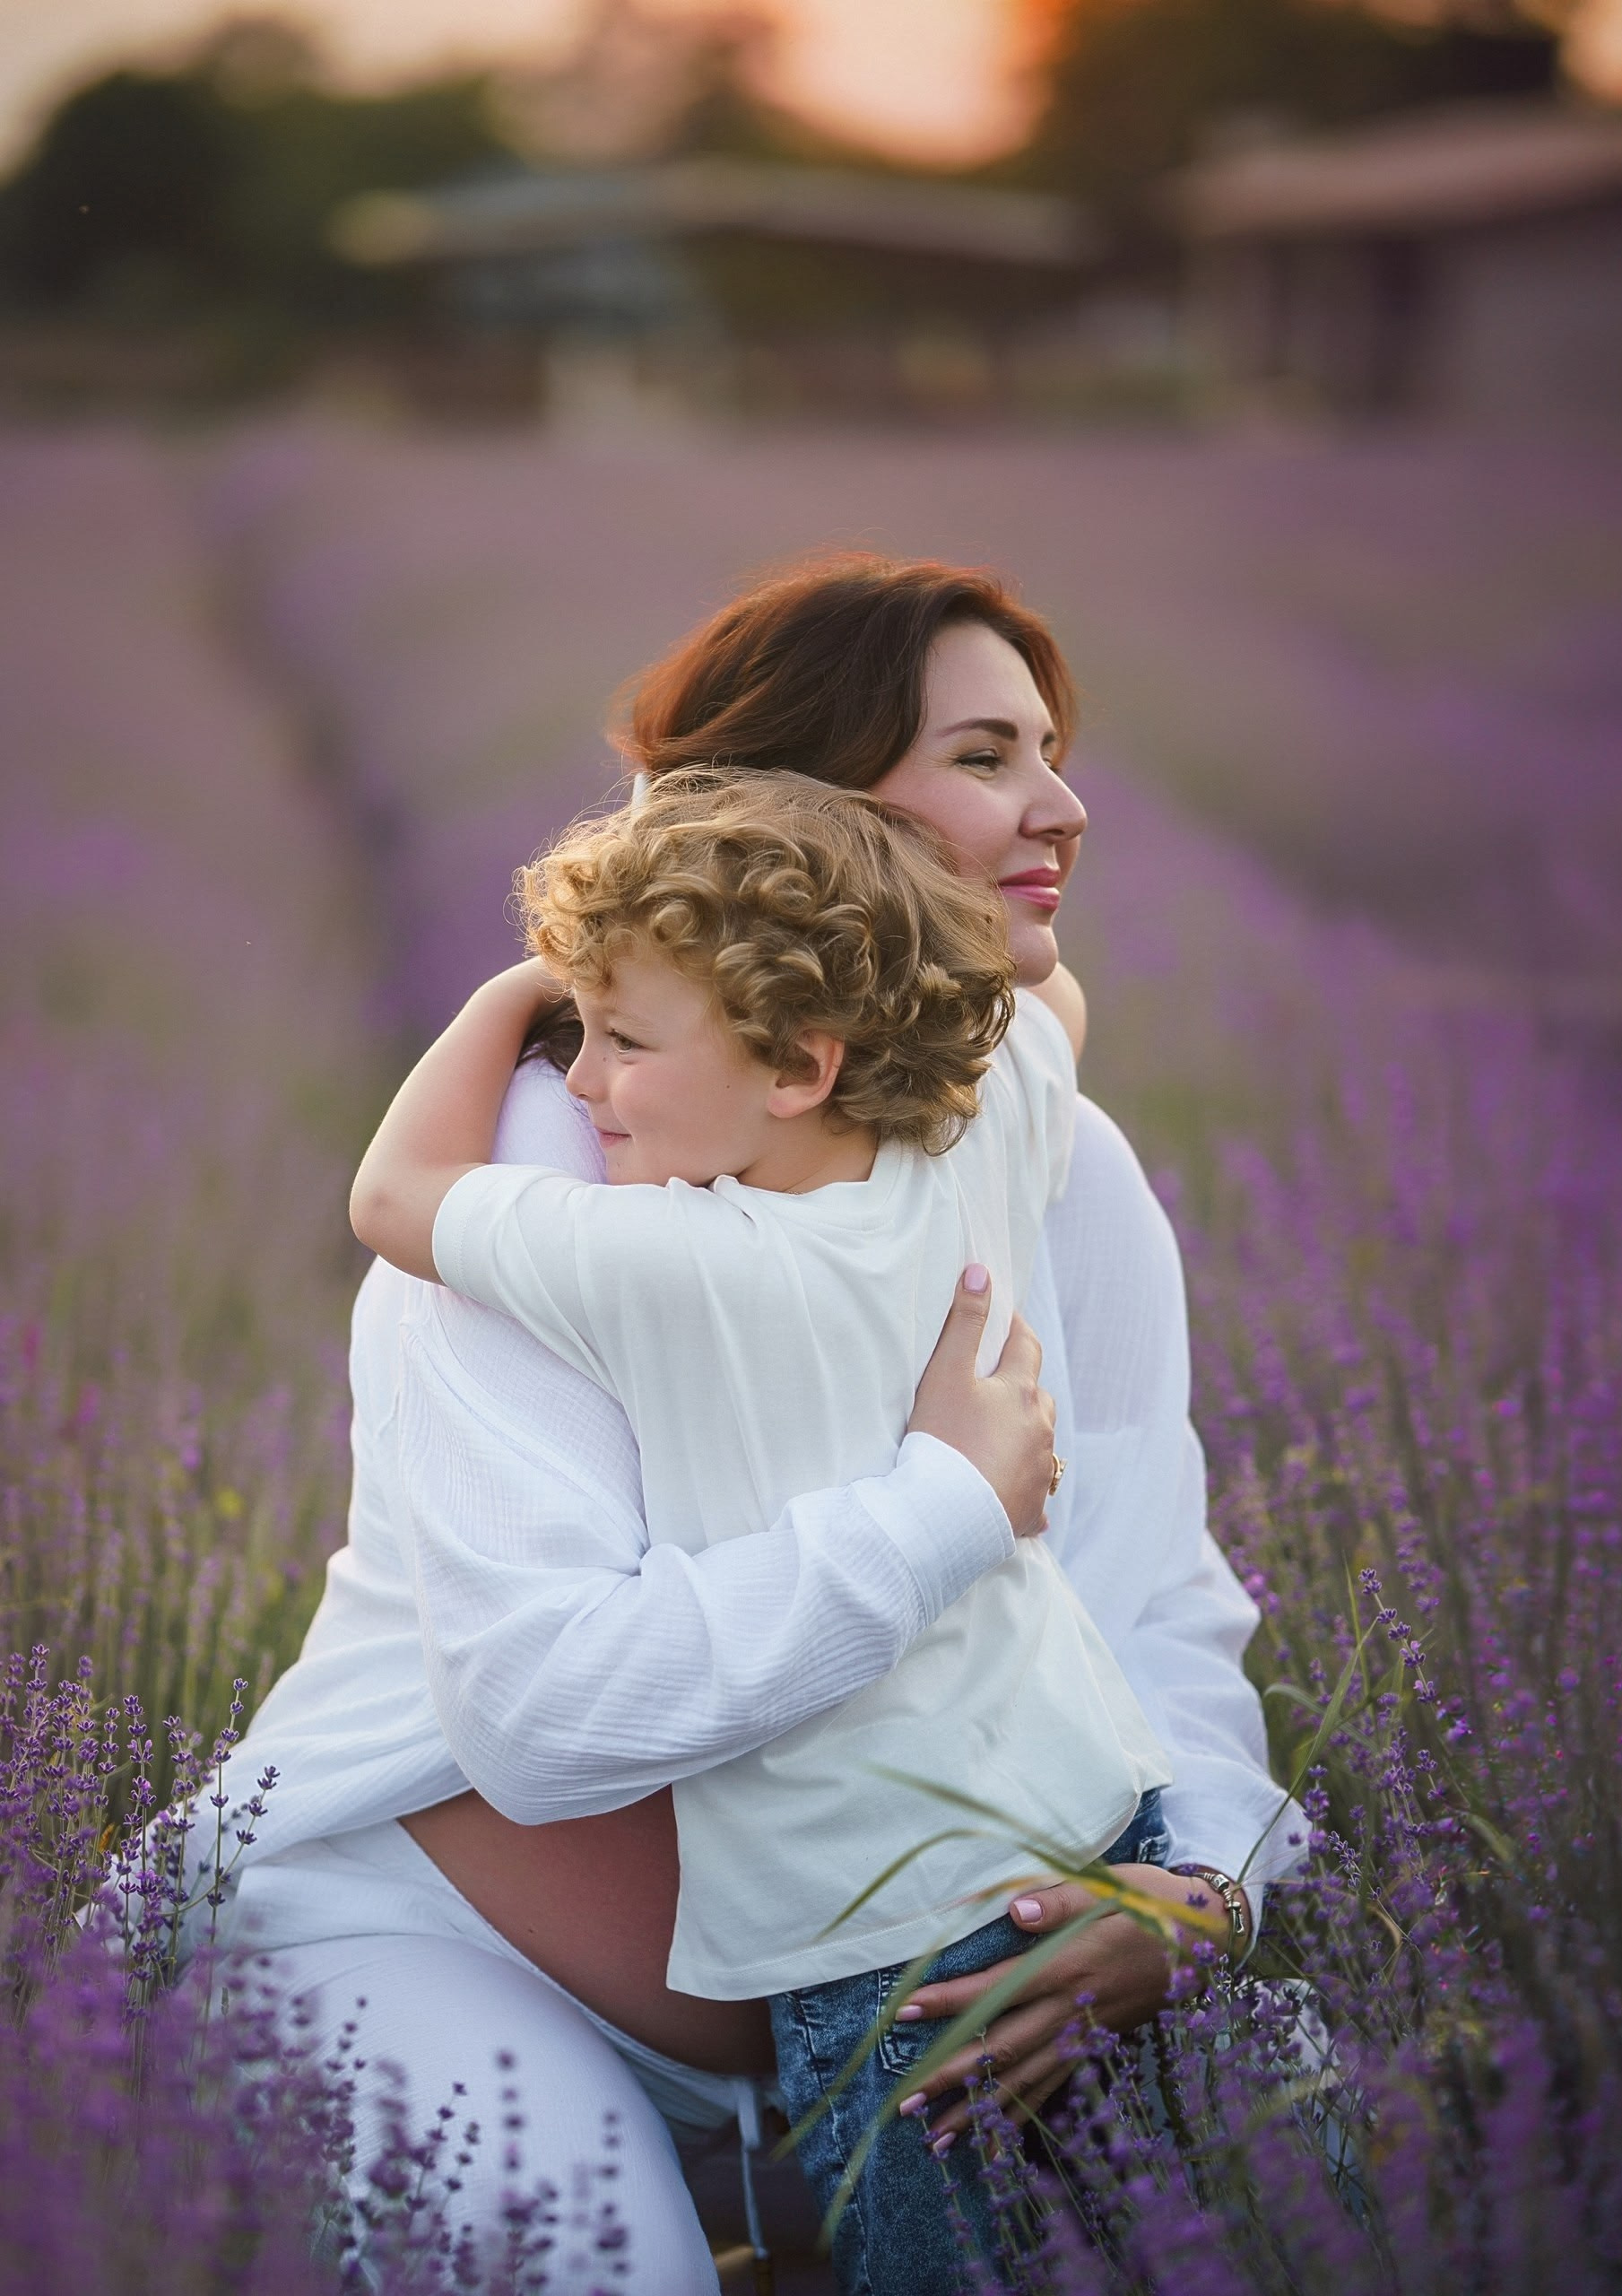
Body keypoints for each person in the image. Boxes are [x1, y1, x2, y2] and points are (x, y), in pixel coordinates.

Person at [206, 558, 1300, 2292]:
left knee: (1314, 2168)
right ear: (800, 822)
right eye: (985, 756)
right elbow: (545, 1721)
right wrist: (944, 1502)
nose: (1064, 806)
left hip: (907, 2006)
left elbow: (1158, 1590)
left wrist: (1193, 1900)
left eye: (1052, 750)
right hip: (455, 1963)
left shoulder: (1047, 1149)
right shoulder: (555, 1188)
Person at [348, 766, 1175, 2292]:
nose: (581, 1084)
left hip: (890, 1939)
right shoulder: (973, 1149)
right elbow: (1048, 1008)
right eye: (581, 1034)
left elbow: (395, 1196)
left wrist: (514, 994)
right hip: (1108, 1845)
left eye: (622, 1040)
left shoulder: (664, 1260)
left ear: (797, 1063)